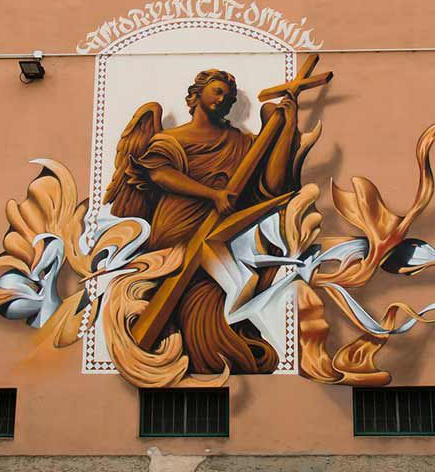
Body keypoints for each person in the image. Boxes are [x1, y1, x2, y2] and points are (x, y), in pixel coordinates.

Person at [120, 69, 301, 373]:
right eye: (218, 91)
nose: (224, 100)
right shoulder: (171, 139)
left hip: (222, 234)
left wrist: (287, 127)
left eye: (229, 98)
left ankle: (211, 358)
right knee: (173, 289)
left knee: (212, 296)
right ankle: (164, 348)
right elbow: (160, 174)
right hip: (178, 229)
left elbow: (272, 185)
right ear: (196, 93)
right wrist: (212, 194)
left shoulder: (240, 142)